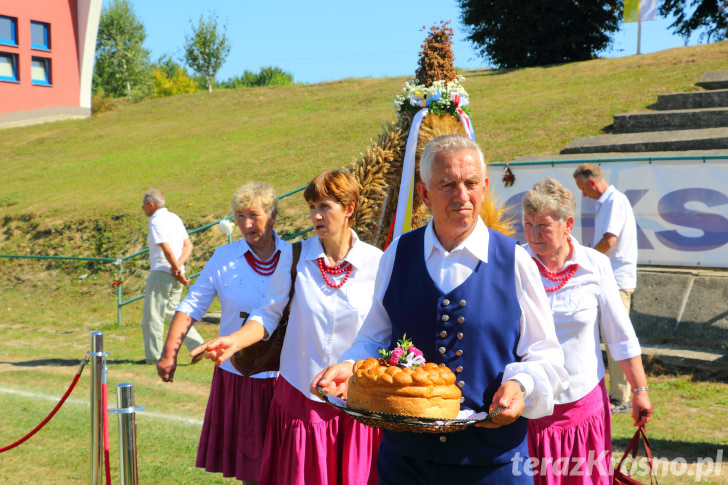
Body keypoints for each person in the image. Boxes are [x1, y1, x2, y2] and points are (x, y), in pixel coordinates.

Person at [313, 134, 569, 484]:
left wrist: (521, 385)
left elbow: (546, 355)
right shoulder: (398, 254)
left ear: (485, 186)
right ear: (423, 194)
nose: (462, 196)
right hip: (407, 464)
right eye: (447, 184)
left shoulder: (515, 261)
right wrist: (348, 366)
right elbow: (374, 338)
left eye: (471, 183)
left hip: (493, 464)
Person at [192, 170, 383, 485]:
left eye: (325, 206)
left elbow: (381, 332)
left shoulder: (377, 262)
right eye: (312, 207)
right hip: (301, 400)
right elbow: (267, 314)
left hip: (357, 403)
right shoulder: (295, 257)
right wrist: (235, 341)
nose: (316, 216)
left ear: (349, 208)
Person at [521, 177, 653, 483]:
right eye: (528, 224)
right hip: (529, 409)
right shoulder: (515, 263)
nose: (534, 233)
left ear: (568, 224)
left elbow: (620, 334)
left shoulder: (595, 265)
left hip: (582, 407)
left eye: (543, 224)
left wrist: (639, 390)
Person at [156, 183, 288, 484]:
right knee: (252, 472)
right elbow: (191, 305)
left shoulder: (295, 256)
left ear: (273, 216)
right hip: (240, 378)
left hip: (286, 378)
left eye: (254, 215)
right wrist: (169, 352)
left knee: (289, 468)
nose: (246, 224)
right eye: (240, 216)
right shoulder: (224, 257)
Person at [573, 164, 638, 415]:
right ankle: (616, 393)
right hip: (610, 278)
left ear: (592, 183)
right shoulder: (608, 202)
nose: (584, 195)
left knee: (617, 338)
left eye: (583, 189)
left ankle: (621, 397)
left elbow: (609, 241)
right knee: (609, 339)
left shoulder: (614, 202)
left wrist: (584, 258)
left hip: (617, 280)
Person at [140, 189, 203, 364]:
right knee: (174, 313)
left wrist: (176, 269)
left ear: (151, 205)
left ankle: (154, 357)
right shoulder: (175, 218)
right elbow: (188, 246)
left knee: (153, 317)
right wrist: (179, 269)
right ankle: (197, 345)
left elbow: (166, 249)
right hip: (176, 273)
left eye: (144, 205)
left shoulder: (156, 221)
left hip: (161, 271)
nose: (142, 208)